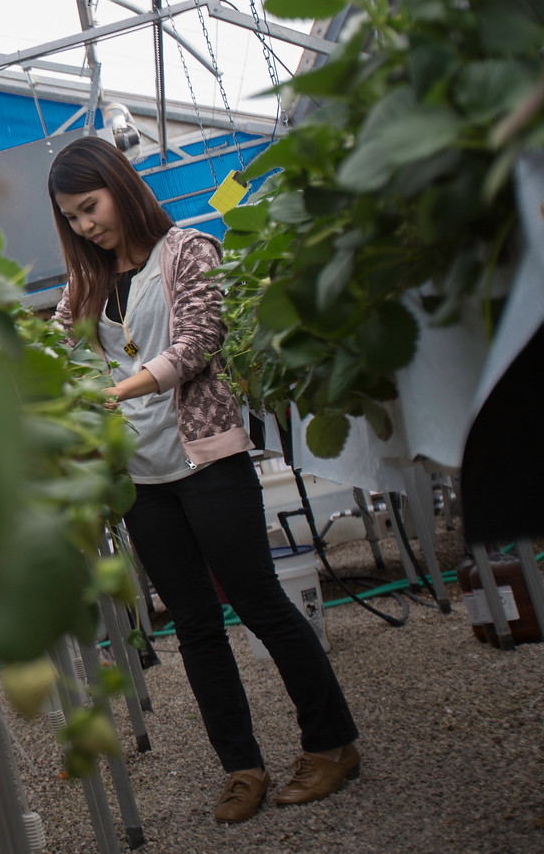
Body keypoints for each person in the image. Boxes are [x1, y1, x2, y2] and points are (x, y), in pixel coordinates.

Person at [46, 136, 359, 824]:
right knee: (191, 624)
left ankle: (331, 743)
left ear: (119, 186)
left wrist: (115, 391)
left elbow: (198, 339)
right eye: (69, 218)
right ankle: (240, 766)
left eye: (89, 207)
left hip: (207, 460)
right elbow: (54, 349)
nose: (84, 225)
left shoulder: (186, 250)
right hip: (142, 478)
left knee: (258, 602)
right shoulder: (85, 286)